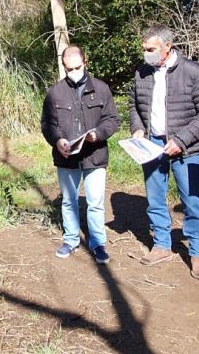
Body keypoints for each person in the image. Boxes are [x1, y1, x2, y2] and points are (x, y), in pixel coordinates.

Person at [129, 25, 199, 280]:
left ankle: (198, 253)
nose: (146, 54)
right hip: (151, 145)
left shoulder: (194, 73)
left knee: (191, 199)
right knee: (155, 197)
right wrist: (137, 129)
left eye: (151, 49)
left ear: (167, 47)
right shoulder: (142, 72)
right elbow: (134, 104)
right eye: (144, 49)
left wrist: (181, 140)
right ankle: (162, 245)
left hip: (186, 147)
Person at [41, 45, 119, 264]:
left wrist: (98, 134)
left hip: (95, 154)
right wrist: (57, 141)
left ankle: (98, 243)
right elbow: (47, 124)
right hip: (66, 157)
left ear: (86, 63)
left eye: (77, 67)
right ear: (63, 67)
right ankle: (71, 240)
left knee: (95, 202)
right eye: (69, 68)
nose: (73, 71)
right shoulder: (55, 92)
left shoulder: (102, 89)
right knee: (68, 201)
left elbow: (112, 120)